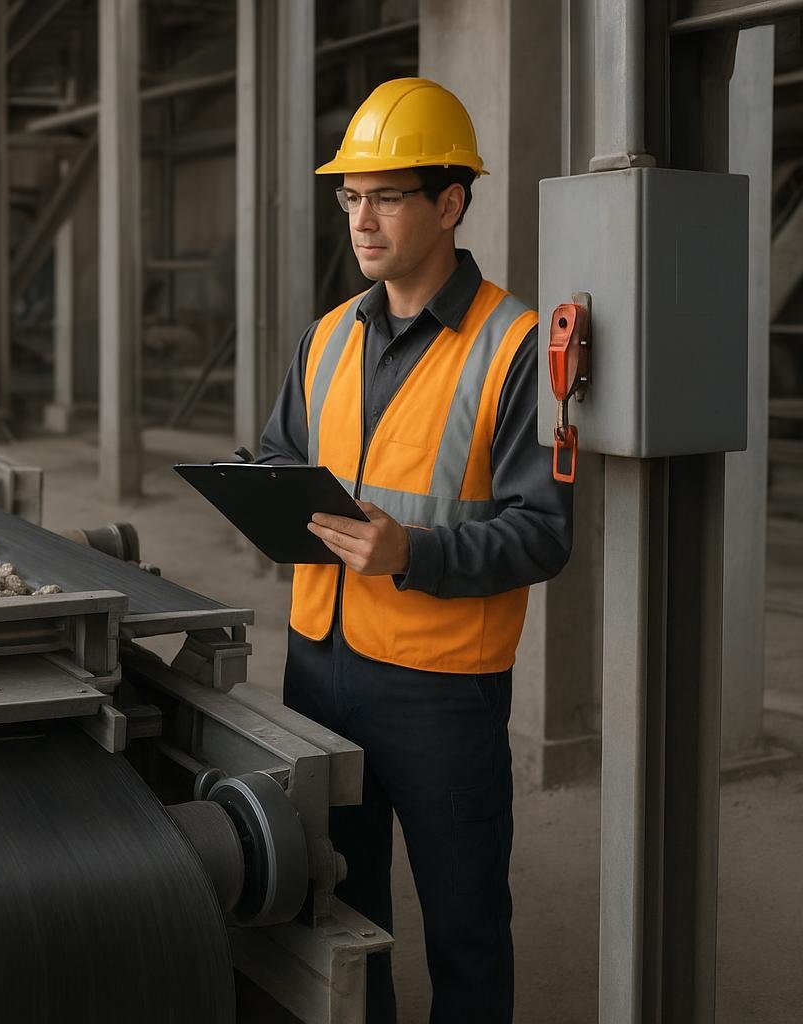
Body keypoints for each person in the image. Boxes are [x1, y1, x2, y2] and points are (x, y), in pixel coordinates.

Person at [257, 78, 573, 1022]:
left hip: (439, 689)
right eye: (351, 197)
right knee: (338, 913)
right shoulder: (326, 338)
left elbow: (543, 533)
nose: (362, 219)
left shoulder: (512, 346)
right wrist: (255, 489)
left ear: (450, 203)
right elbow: (278, 457)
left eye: (387, 195)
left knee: (464, 924)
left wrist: (413, 555)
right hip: (319, 667)